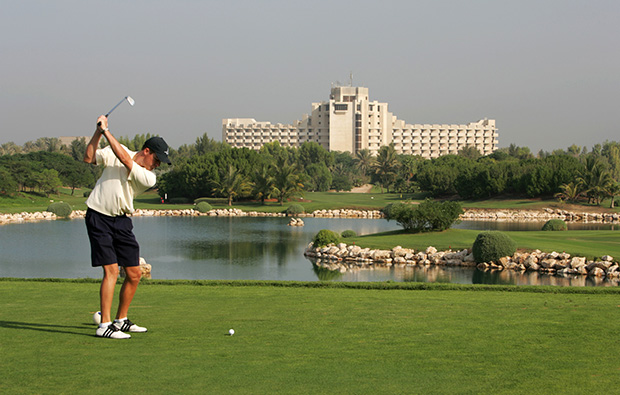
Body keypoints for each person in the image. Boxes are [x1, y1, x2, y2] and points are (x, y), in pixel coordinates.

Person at [83, 115, 171, 339]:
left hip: (121, 221)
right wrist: (97, 132)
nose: (158, 165)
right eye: (157, 159)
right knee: (111, 270)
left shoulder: (148, 177)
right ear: (147, 151)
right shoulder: (117, 149)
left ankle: (120, 320)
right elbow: (89, 157)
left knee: (133, 273)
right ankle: (104, 325)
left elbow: (124, 159)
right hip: (98, 216)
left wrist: (107, 132)